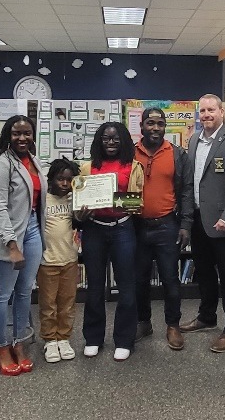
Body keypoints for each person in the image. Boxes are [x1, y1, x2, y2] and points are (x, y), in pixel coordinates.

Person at [179, 94, 225, 353]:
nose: (206, 115)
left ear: (222, 112)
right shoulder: (195, 139)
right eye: (203, 111)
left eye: (211, 110)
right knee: (205, 273)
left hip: (223, 223)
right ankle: (207, 317)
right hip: (199, 219)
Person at [0, 115, 47, 376]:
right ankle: (0, 346)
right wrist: (12, 245)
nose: (22, 138)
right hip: (5, 235)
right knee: (2, 294)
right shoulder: (1, 164)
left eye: (27, 133)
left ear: (33, 135)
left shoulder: (33, 160)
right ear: (8, 135)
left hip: (31, 229)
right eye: (16, 133)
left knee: (24, 292)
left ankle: (19, 343)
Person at [76, 122, 144, 361]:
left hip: (122, 228)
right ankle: (93, 338)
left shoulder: (133, 166)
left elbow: (138, 202)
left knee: (126, 286)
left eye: (115, 139)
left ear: (123, 140)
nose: (111, 143)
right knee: (94, 286)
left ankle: (124, 339)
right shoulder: (87, 168)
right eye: (106, 139)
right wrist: (80, 213)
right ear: (99, 141)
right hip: (94, 229)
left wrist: (124, 203)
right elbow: (78, 204)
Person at [133, 108, 194, 351]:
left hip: (167, 225)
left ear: (165, 126)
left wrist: (186, 224)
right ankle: (143, 322)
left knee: (170, 279)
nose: (155, 128)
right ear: (142, 126)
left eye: (160, 123)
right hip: (136, 226)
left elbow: (187, 190)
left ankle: (173, 325)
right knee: (139, 279)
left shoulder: (177, 154)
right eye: (150, 123)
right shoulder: (130, 153)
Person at [37, 158, 90, 364]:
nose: (65, 184)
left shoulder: (73, 199)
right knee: (48, 303)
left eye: (69, 180)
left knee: (67, 302)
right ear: (51, 179)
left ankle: (64, 338)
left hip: (69, 259)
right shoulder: (43, 200)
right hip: (47, 261)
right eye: (60, 179)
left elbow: (78, 222)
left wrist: (83, 217)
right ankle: (50, 340)